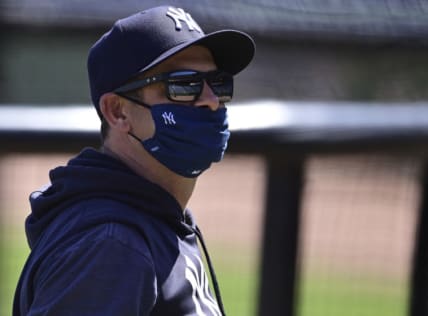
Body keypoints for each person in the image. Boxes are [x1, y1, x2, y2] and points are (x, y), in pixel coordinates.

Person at [13, 5, 255, 316]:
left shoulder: (155, 220)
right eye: (183, 85)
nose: (210, 100)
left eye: (218, 83)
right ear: (118, 111)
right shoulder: (110, 247)